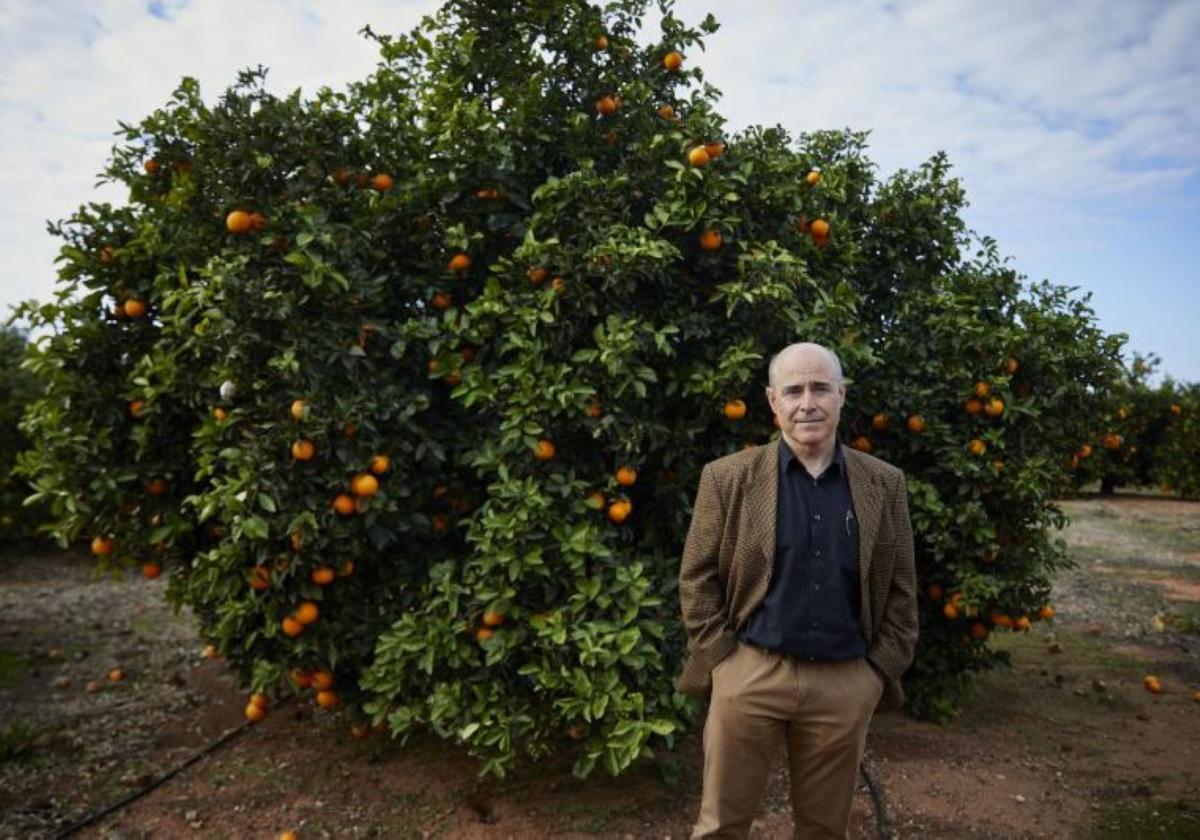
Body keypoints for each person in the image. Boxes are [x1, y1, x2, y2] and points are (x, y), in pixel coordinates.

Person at [678, 341, 918, 838]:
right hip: (750, 675)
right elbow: (696, 577)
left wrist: (875, 674)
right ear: (772, 402)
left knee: (824, 830)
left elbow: (901, 589)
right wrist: (723, 659)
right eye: (793, 390)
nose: (807, 402)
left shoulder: (883, 483)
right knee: (720, 825)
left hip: (844, 682)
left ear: (841, 395)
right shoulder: (727, 479)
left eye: (820, 388)